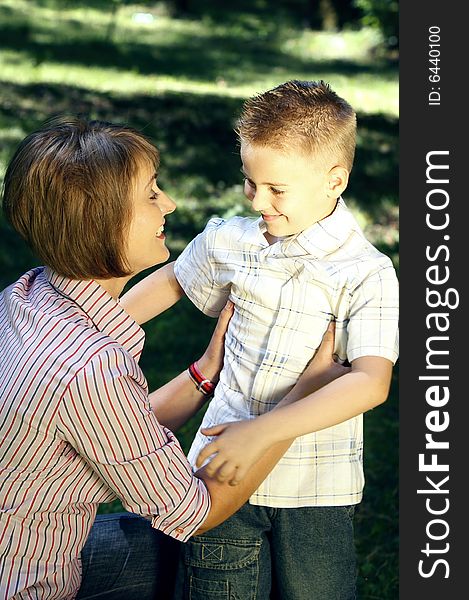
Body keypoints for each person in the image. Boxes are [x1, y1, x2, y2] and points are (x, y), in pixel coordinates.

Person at [0, 116, 347, 600]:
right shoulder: (90, 366)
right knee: (208, 545)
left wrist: (206, 372)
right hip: (27, 583)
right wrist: (298, 400)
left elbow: (109, 427)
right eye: (150, 194)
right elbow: (195, 511)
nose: (170, 203)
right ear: (102, 221)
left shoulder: (23, 297)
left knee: (173, 548)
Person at [121, 80, 399, 599]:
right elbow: (172, 280)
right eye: (250, 182)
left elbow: (369, 383)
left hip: (315, 488)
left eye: (276, 189)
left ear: (334, 180)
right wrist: (98, 330)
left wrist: (265, 430)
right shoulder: (233, 239)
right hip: (220, 467)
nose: (257, 199)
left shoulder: (366, 273)